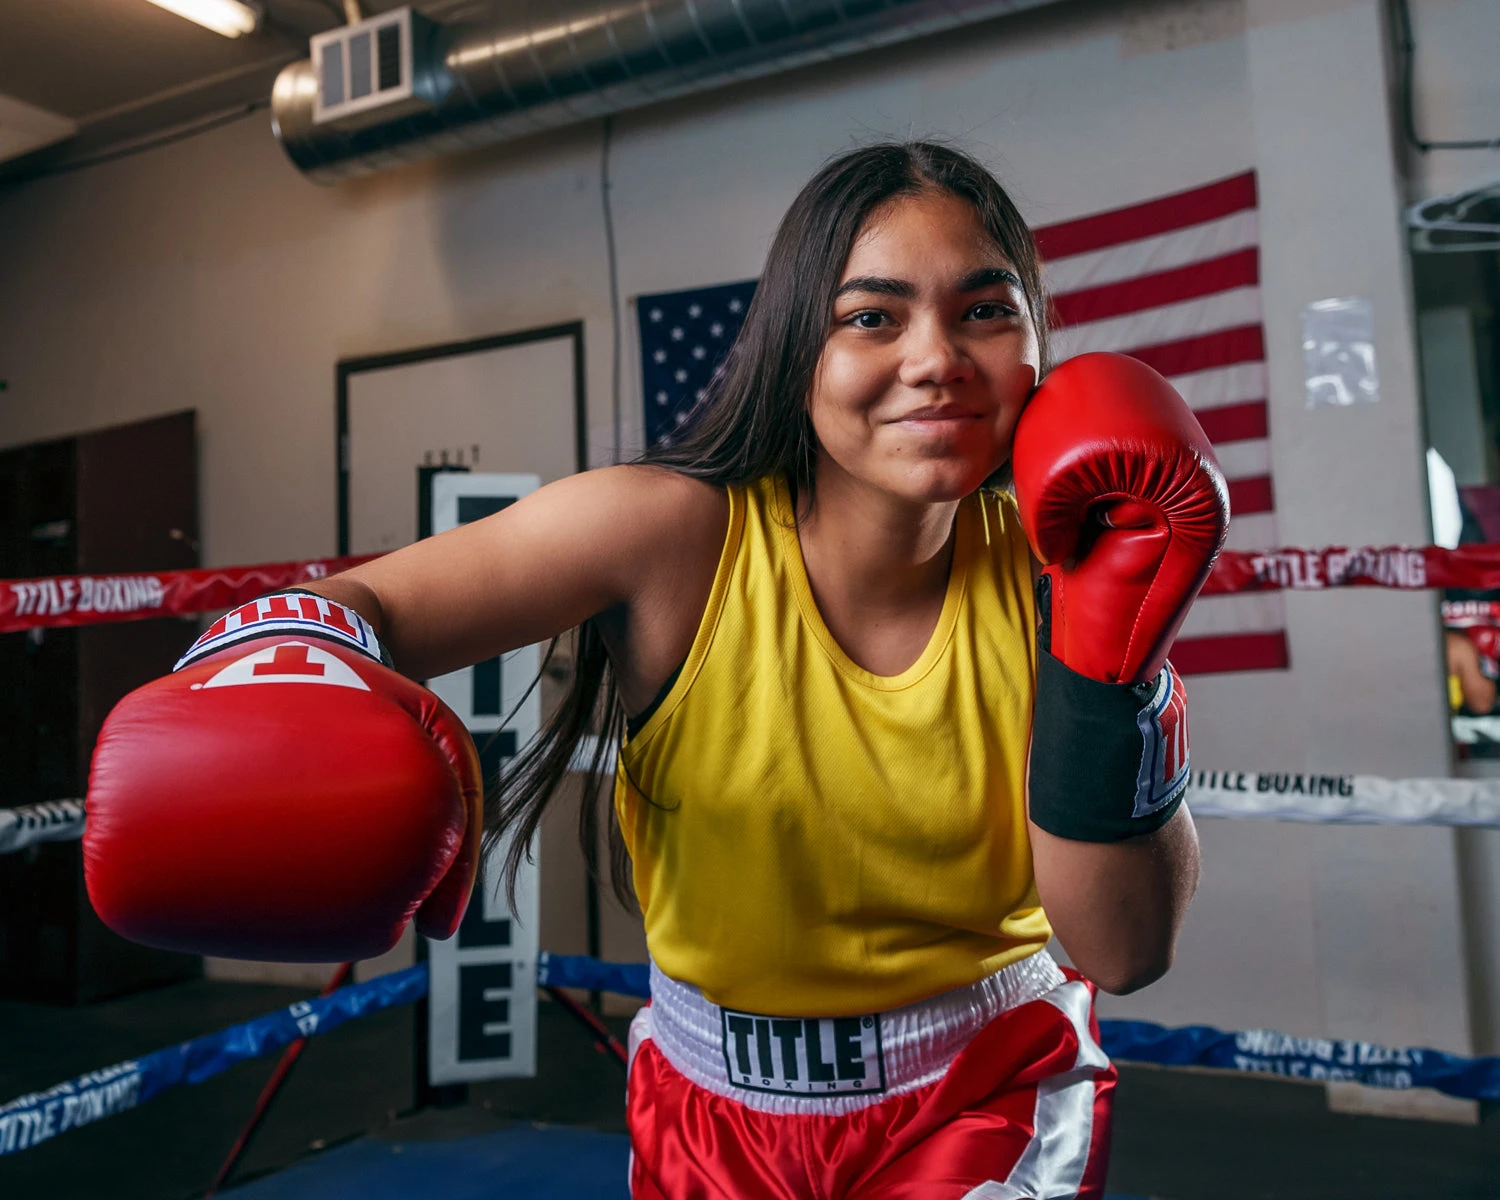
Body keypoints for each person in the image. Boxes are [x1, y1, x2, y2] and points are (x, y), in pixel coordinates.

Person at [85, 142, 1226, 1198]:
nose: (935, 360)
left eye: (984, 310)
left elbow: (1124, 952)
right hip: (707, 1106)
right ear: (798, 347)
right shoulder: (672, 538)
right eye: (872, 317)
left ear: (1034, 342)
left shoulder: (1062, 570)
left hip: (982, 1090)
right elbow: (357, 606)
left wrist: (1109, 669)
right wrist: (279, 676)